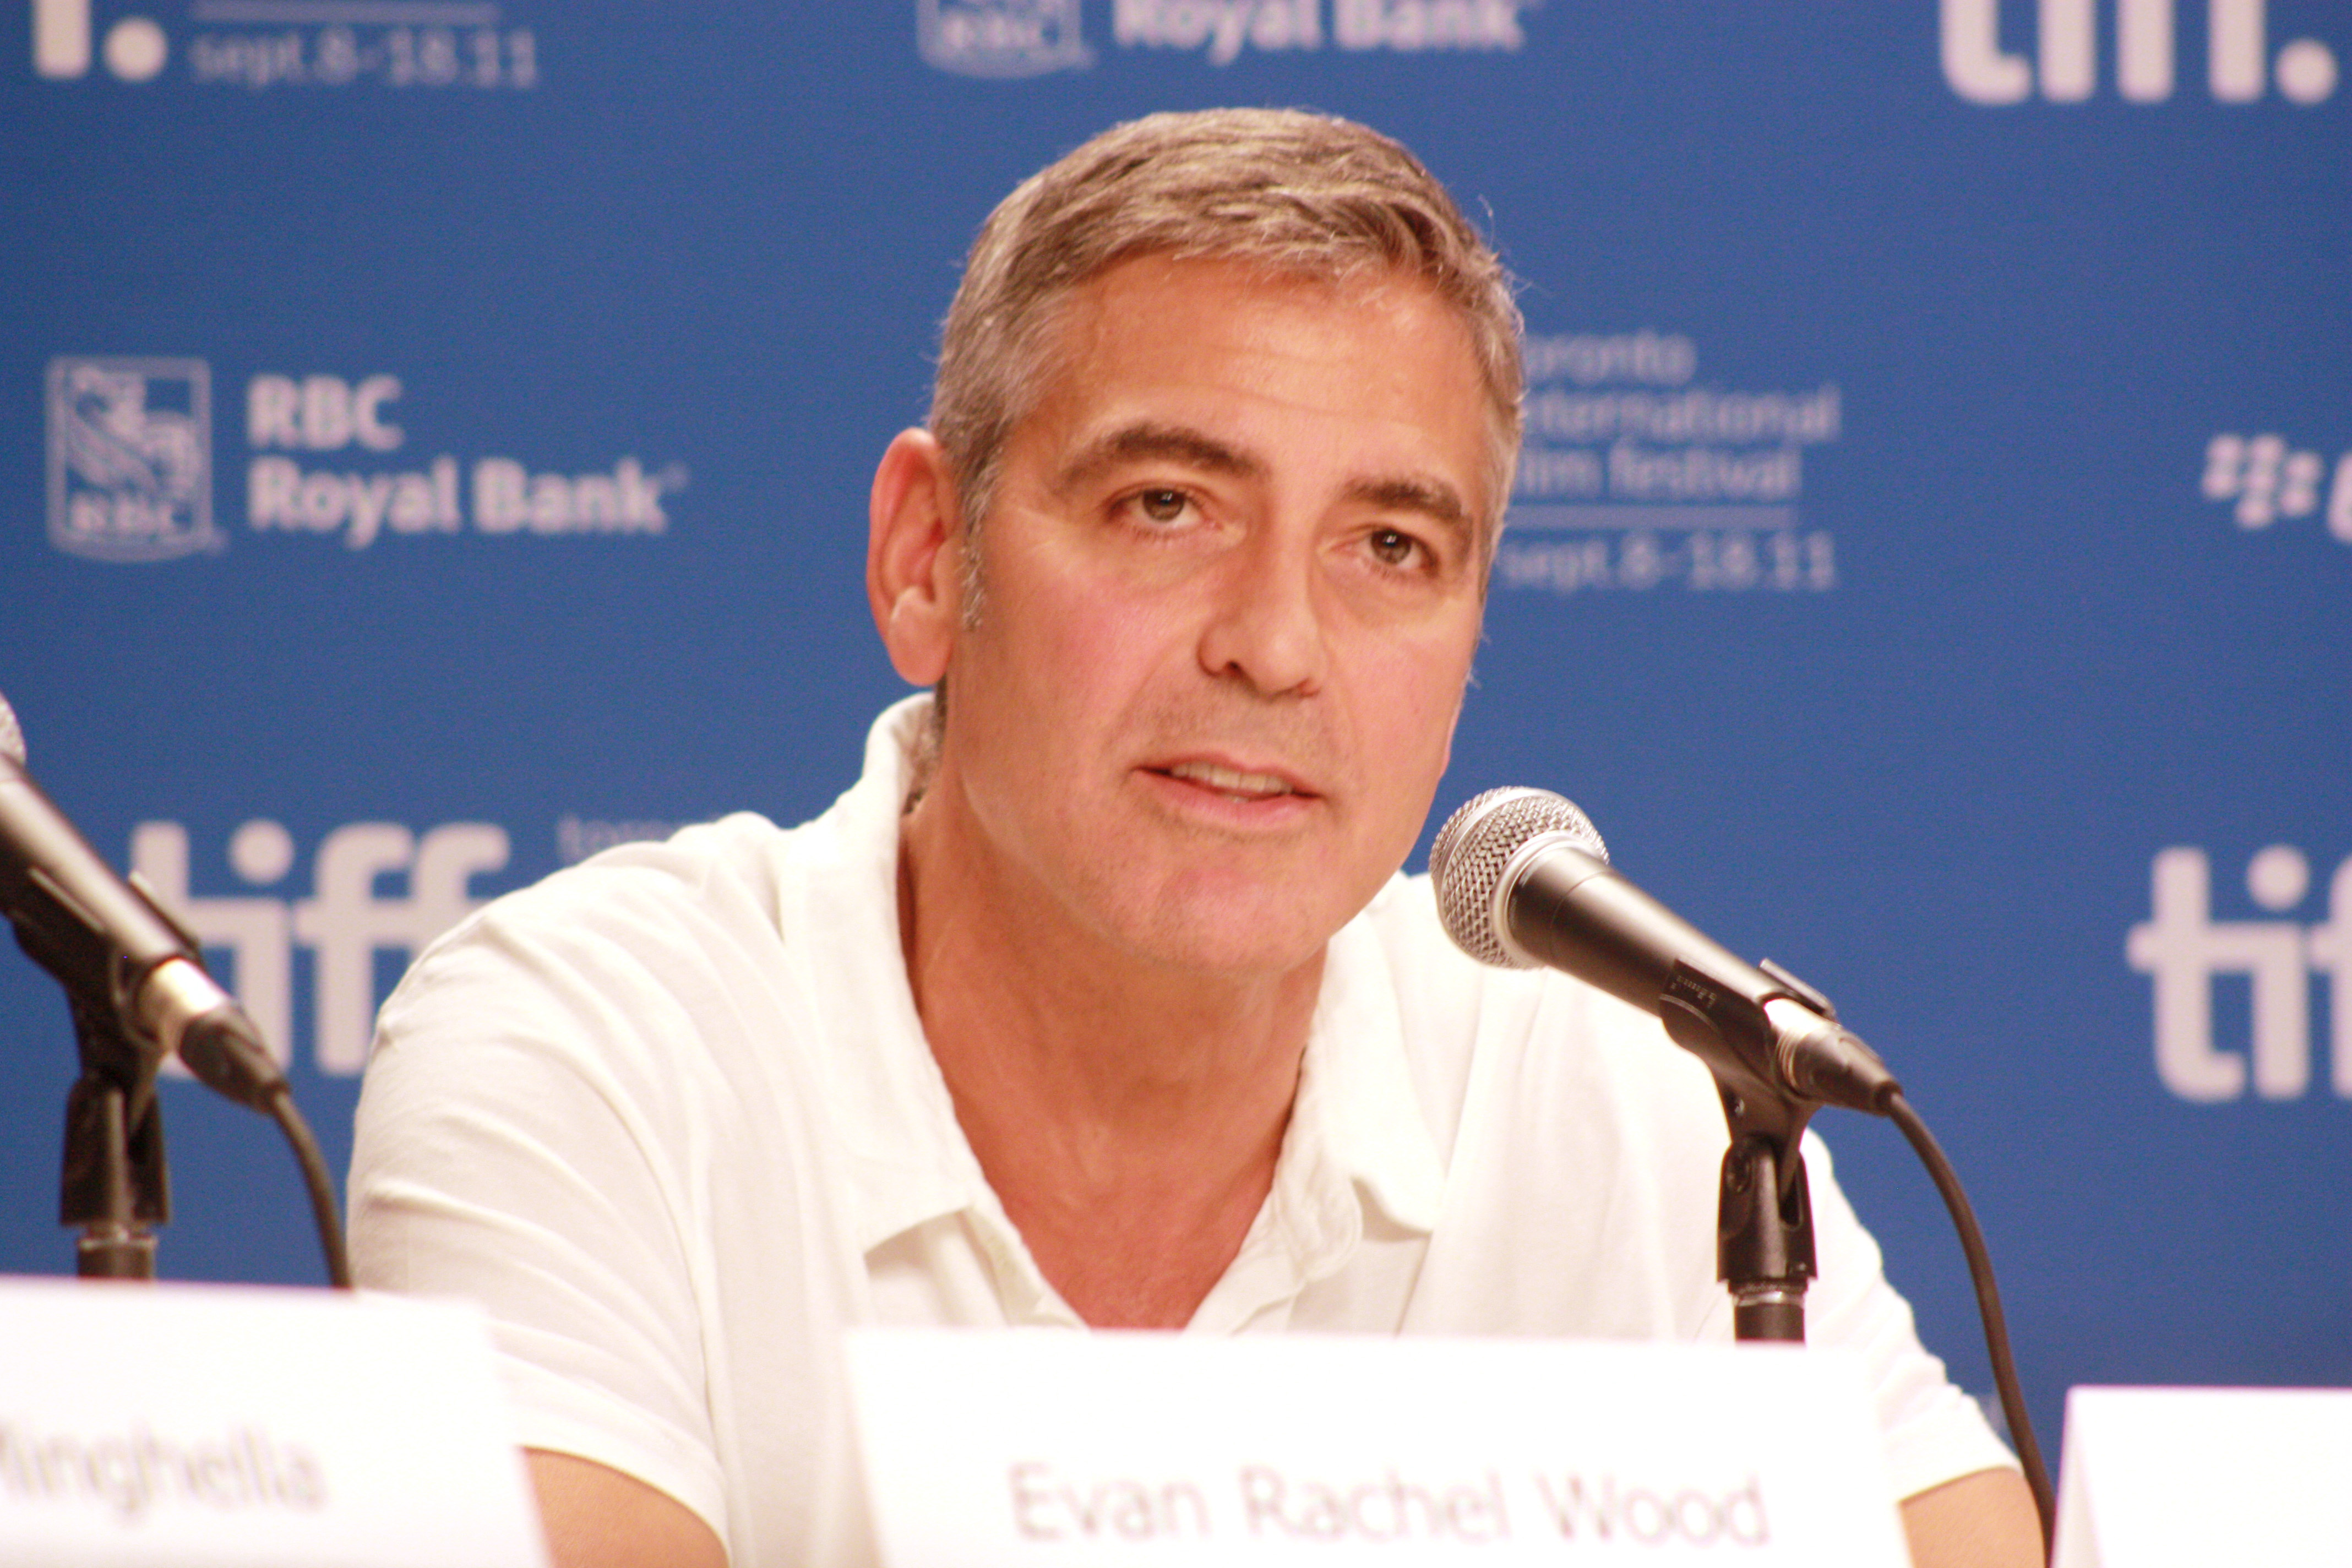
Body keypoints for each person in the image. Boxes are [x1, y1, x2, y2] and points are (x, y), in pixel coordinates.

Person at [348, 108, 2043, 1568]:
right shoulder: (592, 1051)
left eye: (1389, 547)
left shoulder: (1625, 1087)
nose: (1277, 646)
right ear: (931, 559)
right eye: (1167, 506)